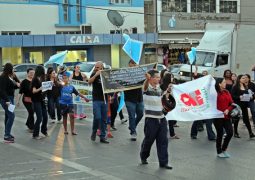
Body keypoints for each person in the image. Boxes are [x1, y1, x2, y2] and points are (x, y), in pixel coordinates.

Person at [140, 69, 172, 170]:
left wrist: (168, 91)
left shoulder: (160, 88)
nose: (159, 79)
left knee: (163, 141)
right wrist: (146, 79)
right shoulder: (146, 87)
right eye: (157, 77)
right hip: (151, 119)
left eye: (159, 77)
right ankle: (143, 156)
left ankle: (163, 162)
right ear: (151, 78)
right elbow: (145, 86)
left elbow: (164, 97)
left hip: (162, 118)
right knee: (149, 140)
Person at [191, 68, 216, 140]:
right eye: (203, 74)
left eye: (206, 74)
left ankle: (211, 136)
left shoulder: (210, 85)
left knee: (209, 121)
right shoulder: (198, 83)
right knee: (197, 119)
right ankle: (193, 134)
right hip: (200, 104)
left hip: (208, 105)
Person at [89, 61, 109, 143]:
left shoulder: (105, 74)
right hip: (96, 100)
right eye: (95, 67)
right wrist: (96, 74)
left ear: (102, 67)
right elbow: (89, 82)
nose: (96, 68)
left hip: (104, 99)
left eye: (97, 67)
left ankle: (102, 136)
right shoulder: (94, 74)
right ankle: (94, 131)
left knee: (104, 119)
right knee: (97, 117)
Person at [124, 59, 144, 141]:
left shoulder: (140, 73)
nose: (134, 65)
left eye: (135, 64)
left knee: (140, 114)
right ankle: (133, 132)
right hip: (129, 98)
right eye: (132, 63)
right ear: (129, 64)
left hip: (139, 98)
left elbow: (144, 81)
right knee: (132, 116)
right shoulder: (125, 73)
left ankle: (132, 126)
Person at [214, 78, 234, 158]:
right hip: (217, 117)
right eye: (224, 82)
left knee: (230, 133)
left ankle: (224, 149)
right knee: (220, 134)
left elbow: (232, 103)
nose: (226, 83)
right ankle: (219, 152)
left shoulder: (227, 92)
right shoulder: (214, 93)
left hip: (226, 116)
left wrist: (228, 110)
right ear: (219, 84)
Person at [0, 63, 20, 143]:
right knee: (12, 116)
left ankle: (7, 133)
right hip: (6, 99)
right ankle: (7, 135)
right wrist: (7, 100)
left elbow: (12, 86)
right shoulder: (3, 78)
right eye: (12, 69)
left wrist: (17, 84)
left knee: (8, 116)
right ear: (9, 69)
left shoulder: (10, 77)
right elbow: (1, 90)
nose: (13, 70)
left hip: (10, 98)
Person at [231, 74, 255, 138]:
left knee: (246, 119)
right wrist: (239, 97)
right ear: (239, 79)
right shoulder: (235, 86)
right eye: (243, 78)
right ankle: (235, 132)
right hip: (238, 106)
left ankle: (250, 133)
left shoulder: (245, 86)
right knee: (237, 119)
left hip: (244, 105)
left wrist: (250, 96)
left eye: (245, 78)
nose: (244, 79)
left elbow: (248, 94)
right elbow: (232, 96)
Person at [160, 71, 179, 139]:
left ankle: (172, 134)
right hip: (164, 105)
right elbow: (164, 97)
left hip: (170, 104)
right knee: (162, 119)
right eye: (171, 77)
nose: (172, 78)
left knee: (171, 119)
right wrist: (168, 91)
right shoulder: (162, 86)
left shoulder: (173, 85)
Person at [31, 65, 48, 139]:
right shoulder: (35, 79)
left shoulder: (41, 79)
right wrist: (40, 88)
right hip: (36, 101)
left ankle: (44, 130)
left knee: (45, 116)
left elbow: (44, 89)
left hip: (42, 100)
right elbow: (34, 91)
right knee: (39, 118)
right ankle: (35, 134)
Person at [17, 68, 35, 132]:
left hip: (33, 99)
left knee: (31, 112)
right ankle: (32, 127)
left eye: (33, 73)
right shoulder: (24, 82)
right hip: (26, 100)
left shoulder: (35, 81)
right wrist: (17, 101)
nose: (32, 74)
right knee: (31, 112)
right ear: (27, 73)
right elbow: (20, 92)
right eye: (30, 73)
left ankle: (28, 123)